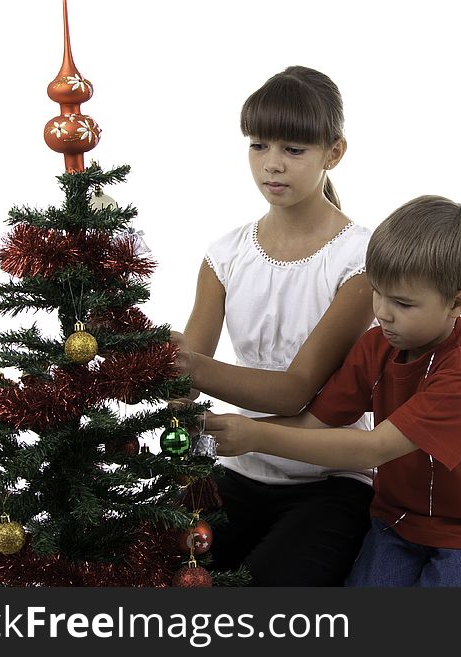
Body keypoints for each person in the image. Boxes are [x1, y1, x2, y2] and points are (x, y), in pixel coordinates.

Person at [206, 195, 461, 587]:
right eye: (378, 292)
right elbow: (315, 421)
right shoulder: (376, 345)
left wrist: (255, 435)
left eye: (403, 303)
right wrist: (223, 428)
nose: (382, 311)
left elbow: (373, 448)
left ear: (458, 303)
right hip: (398, 520)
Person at [170, 66, 376, 586]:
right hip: (239, 471)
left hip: (329, 482)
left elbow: (294, 392)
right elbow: (183, 381)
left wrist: (189, 367)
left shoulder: (363, 259)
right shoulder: (226, 254)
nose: (272, 165)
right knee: (166, 575)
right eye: (259, 146)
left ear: (335, 153)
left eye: (294, 150)